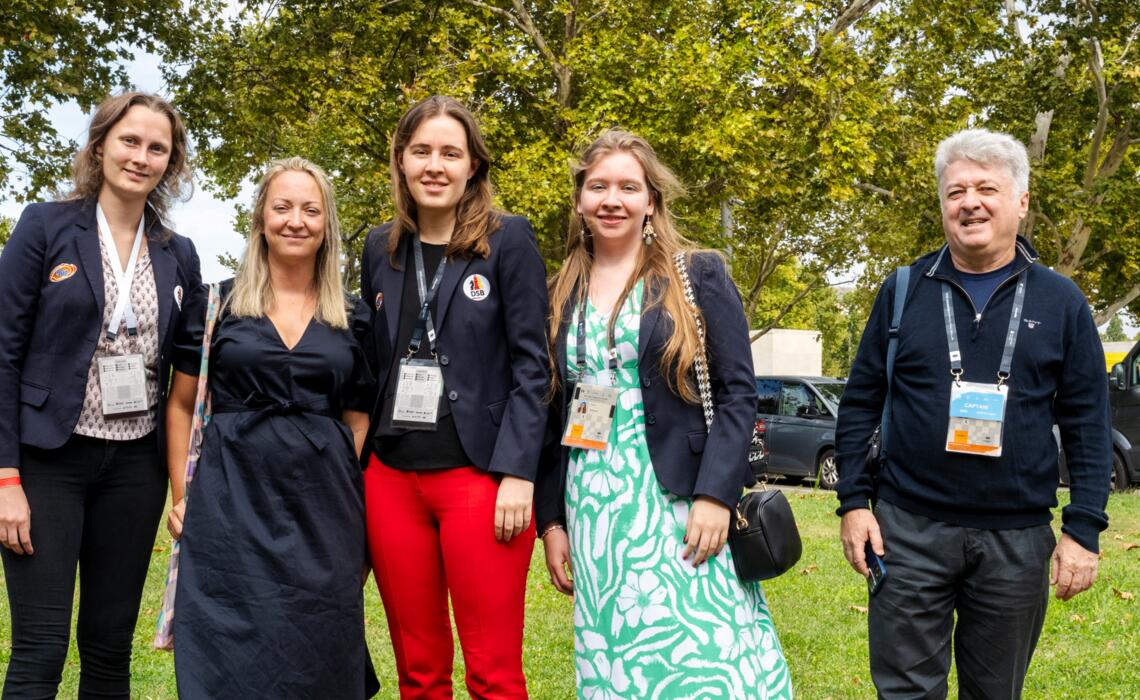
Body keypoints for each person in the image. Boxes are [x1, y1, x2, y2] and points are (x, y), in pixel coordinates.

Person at [835, 128, 1112, 699]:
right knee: (905, 692)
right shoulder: (904, 289)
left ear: (1021, 202)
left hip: (1017, 538)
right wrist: (854, 504)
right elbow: (861, 401)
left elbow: (1087, 421)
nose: (970, 203)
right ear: (942, 204)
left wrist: (1082, 530)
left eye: (987, 188)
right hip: (906, 531)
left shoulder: (1061, 301)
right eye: (956, 191)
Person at [534, 130, 793, 699]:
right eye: (598, 186)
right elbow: (551, 416)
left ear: (651, 199)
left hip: (678, 500)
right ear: (579, 199)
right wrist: (551, 522)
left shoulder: (695, 274)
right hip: (596, 508)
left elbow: (737, 393)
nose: (612, 199)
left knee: (706, 653)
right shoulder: (558, 292)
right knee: (619, 657)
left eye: (629, 187)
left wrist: (716, 495)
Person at [0, 91, 199, 698]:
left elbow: (188, 377)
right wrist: (6, 479)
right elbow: (4, 355)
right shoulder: (44, 226)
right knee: (41, 645)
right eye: (130, 141)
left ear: (171, 162)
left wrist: (184, 486)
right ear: (101, 145)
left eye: (157, 147)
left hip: (134, 471)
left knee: (110, 648)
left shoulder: (178, 254)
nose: (141, 156)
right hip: (46, 462)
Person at [359, 95, 549, 698]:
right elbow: (370, 364)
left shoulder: (508, 240)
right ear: (401, 162)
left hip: (482, 480)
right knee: (418, 671)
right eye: (421, 152)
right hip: (390, 481)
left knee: (493, 673)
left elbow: (533, 367)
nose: (434, 165)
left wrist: (518, 473)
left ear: (473, 167)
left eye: (450, 152)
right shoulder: (378, 247)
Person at [166, 157, 376, 698]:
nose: (295, 220)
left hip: (323, 512)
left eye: (311, 210)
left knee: (322, 646)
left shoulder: (352, 317)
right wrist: (184, 493)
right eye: (282, 207)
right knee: (224, 649)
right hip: (229, 502)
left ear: (326, 224)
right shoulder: (217, 305)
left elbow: (358, 417)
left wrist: (330, 481)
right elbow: (182, 404)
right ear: (260, 219)